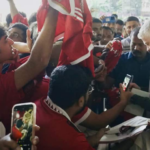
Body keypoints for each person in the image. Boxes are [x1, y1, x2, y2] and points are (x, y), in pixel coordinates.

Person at [35, 65, 132, 149]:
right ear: (80, 101)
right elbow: (72, 144)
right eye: (89, 90)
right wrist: (130, 140)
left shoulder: (36, 105)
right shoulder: (72, 139)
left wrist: (94, 139)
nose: (90, 93)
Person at [0, 7, 58, 134]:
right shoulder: (2, 83)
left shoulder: (11, 66)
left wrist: (28, 48)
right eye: (6, 40)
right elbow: (39, 61)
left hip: (24, 133)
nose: (11, 41)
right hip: (14, 140)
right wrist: (54, 8)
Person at [106, 27, 150, 91]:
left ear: (147, 44)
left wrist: (139, 91)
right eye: (133, 44)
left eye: (140, 45)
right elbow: (107, 84)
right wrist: (102, 79)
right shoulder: (120, 59)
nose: (136, 48)